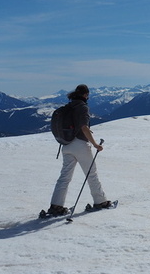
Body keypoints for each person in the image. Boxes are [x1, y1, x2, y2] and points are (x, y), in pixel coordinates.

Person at [46, 84, 112, 215]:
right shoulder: (82, 107)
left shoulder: (69, 106)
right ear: (85, 95)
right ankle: (100, 201)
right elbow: (84, 127)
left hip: (66, 145)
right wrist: (95, 144)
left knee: (64, 177)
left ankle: (56, 206)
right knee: (91, 174)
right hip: (80, 145)